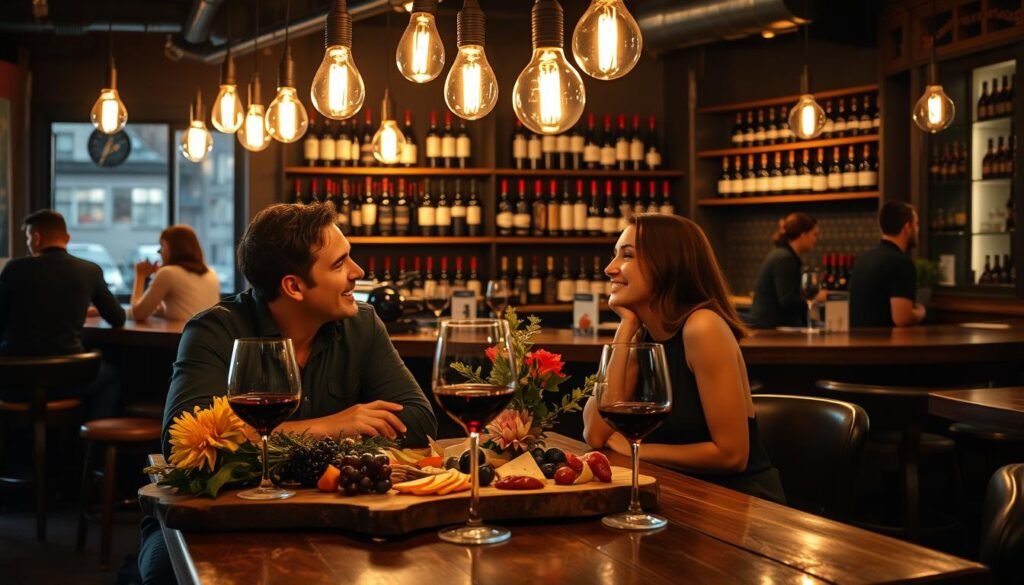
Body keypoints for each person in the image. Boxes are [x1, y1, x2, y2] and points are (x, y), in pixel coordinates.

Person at [140, 202, 438, 583]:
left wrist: (272, 444)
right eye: (339, 264)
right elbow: (186, 450)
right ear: (294, 286)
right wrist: (331, 428)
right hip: (215, 520)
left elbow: (416, 419)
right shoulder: (214, 332)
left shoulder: (363, 325)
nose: (357, 273)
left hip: (329, 515)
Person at [582, 214, 785, 504]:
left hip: (738, 502)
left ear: (666, 264)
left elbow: (732, 455)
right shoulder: (642, 334)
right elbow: (595, 432)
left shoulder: (702, 327)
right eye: (614, 255)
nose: (609, 268)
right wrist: (626, 327)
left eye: (627, 255)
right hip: (679, 490)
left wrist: (636, 449)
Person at [0, 210, 124, 418]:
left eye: (29, 238)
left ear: (36, 238)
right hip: (68, 379)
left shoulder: (14, 269)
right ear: (67, 238)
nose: (29, 244)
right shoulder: (89, 270)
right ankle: (88, 446)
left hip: (15, 381)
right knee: (110, 376)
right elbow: (117, 318)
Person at [849, 201, 926, 327]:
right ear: (907, 228)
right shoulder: (901, 263)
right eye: (916, 224)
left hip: (858, 342)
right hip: (883, 343)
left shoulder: (864, 258)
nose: (918, 230)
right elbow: (902, 319)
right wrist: (921, 312)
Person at [750, 213, 827, 329]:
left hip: (772, 328)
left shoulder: (782, 255)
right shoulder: (784, 259)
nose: (816, 240)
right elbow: (788, 300)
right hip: (773, 331)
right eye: (814, 234)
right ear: (802, 235)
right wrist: (816, 298)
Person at [129, 225, 221, 321]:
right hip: (208, 334)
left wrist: (140, 275)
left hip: (181, 335)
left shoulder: (168, 273)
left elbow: (137, 314)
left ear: (173, 248)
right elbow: (190, 309)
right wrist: (165, 311)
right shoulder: (211, 273)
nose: (159, 251)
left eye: (162, 245)